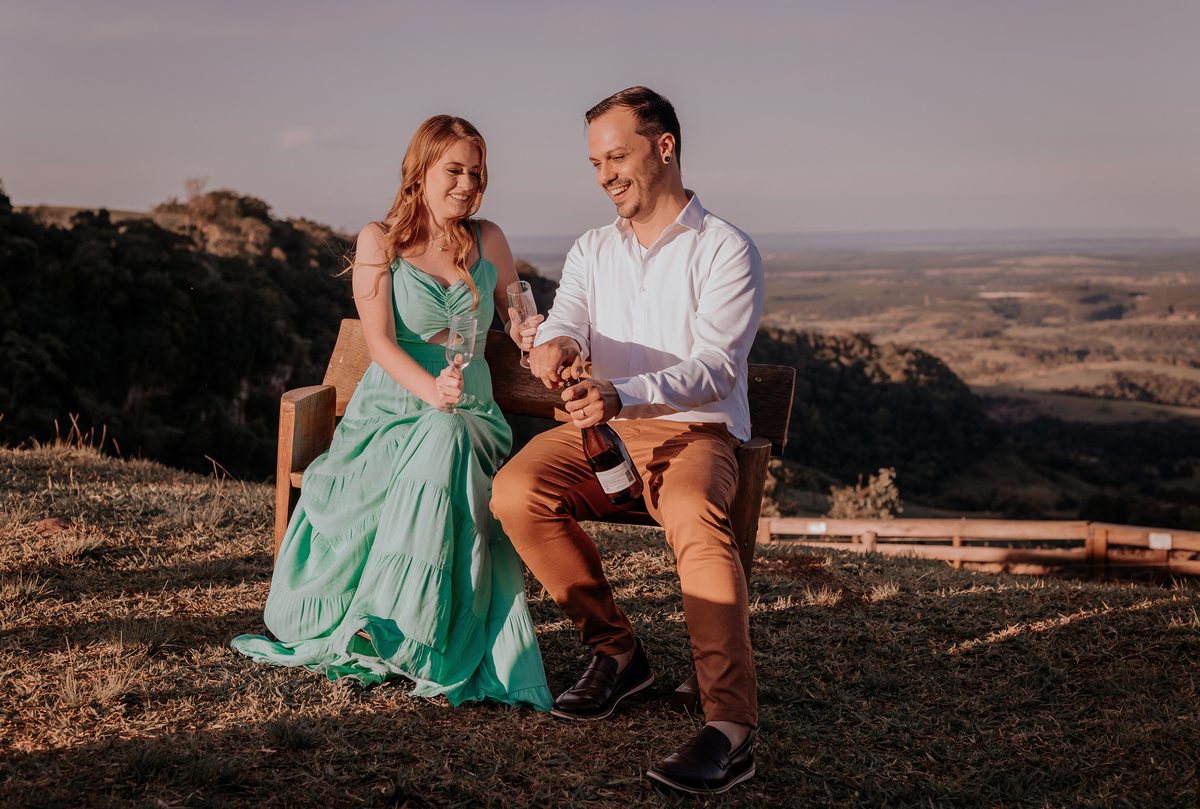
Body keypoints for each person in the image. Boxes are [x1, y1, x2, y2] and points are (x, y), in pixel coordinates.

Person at [491, 87, 765, 793]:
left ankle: (730, 727)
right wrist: (551, 345)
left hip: (692, 432)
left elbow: (716, 368)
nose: (605, 173)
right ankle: (618, 652)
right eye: (595, 162)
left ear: (664, 146)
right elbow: (567, 318)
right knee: (516, 491)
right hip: (603, 433)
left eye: (617, 155)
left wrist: (624, 392)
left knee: (699, 519)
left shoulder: (725, 248)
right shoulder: (591, 248)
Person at [232, 115, 552, 712]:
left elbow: (514, 315)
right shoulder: (379, 241)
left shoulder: (490, 239)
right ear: (420, 170)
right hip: (392, 408)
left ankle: (408, 633)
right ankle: (393, 626)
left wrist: (525, 330)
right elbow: (379, 344)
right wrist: (432, 392)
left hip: (471, 409)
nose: (467, 183)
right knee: (440, 426)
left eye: (476, 172)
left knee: (451, 430)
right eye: (453, 169)